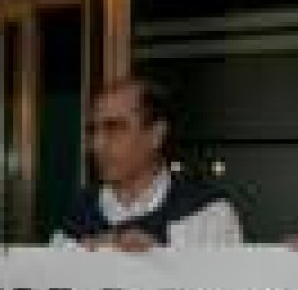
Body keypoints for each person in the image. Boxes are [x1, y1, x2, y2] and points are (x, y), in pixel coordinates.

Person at [54, 78, 243, 250]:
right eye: (93, 131)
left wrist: (159, 260)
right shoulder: (78, 217)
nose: (97, 145)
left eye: (115, 128)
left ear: (156, 135)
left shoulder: (208, 213)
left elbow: (227, 284)